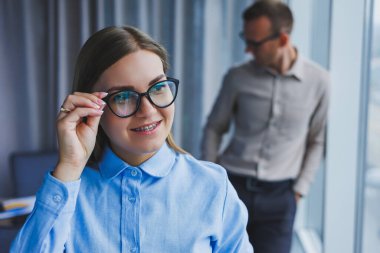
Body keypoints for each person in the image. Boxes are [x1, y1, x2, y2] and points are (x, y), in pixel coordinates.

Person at [11, 26, 253, 253]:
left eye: (157, 87)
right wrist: (70, 166)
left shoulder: (213, 187)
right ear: (90, 107)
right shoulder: (67, 192)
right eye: (124, 96)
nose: (147, 110)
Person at [201, 1, 330, 253]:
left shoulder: (320, 81)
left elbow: (317, 140)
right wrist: (210, 175)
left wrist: (299, 190)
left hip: (280, 198)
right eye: (245, 39)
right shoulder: (237, 77)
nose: (248, 49)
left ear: (282, 39)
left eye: (255, 43)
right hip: (232, 186)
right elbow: (214, 127)